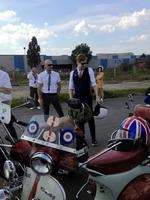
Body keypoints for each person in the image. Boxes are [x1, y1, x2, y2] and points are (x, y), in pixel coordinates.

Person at [69, 54, 100, 146]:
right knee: (80, 119)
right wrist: (71, 99)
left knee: (90, 118)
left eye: (85, 63)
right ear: (77, 62)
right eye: (82, 63)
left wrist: (97, 96)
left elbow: (94, 84)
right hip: (77, 99)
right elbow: (71, 87)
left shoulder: (89, 70)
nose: (84, 65)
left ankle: (93, 139)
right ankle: (83, 139)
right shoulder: (73, 72)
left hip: (87, 97)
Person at [0, 69, 18, 142]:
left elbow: (8, 90)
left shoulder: (3, 74)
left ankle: (16, 146)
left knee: (9, 125)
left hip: (4, 103)